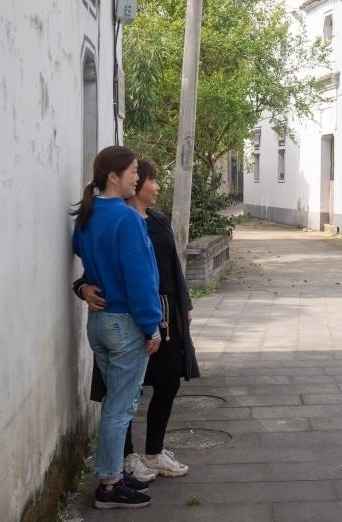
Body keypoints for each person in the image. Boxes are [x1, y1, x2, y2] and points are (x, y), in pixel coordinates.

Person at [75, 159, 200, 482]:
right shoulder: (124, 219)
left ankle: (150, 454)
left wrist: (183, 304)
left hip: (158, 313)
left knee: (164, 383)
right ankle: (121, 465)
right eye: (146, 178)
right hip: (135, 315)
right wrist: (82, 287)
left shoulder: (153, 220)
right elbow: (120, 272)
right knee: (124, 398)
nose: (155, 186)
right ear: (120, 178)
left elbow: (171, 267)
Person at [71, 146, 162, 509]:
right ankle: (109, 485)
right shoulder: (126, 218)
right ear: (114, 176)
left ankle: (113, 475)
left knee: (115, 404)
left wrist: (84, 287)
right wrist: (152, 326)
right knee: (120, 408)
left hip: (99, 322)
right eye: (134, 172)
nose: (137, 178)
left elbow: (83, 254)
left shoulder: (88, 214)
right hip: (125, 323)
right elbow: (140, 278)